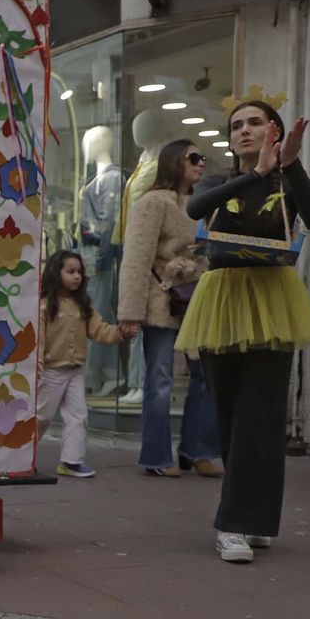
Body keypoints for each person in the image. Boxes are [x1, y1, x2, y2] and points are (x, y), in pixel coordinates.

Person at [180, 99, 310, 563]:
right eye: (236, 125)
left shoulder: (288, 178)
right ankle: (243, 520)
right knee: (229, 415)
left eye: (255, 122)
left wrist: (289, 164)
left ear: (274, 131)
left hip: (273, 302)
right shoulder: (222, 181)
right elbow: (196, 207)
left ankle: (241, 524)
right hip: (222, 301)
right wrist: (257, 173)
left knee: (261, 417)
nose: (243, 130)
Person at [118, 139, 220, 479]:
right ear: (174, 162)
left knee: (204, 376)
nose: (200, 163)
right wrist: (130, 312)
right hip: (163, 296)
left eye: (202, 157)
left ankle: (198, 449)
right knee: (160, 376)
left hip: (198, 295)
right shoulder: (152, 202)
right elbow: (136, 257)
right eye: (193, 157)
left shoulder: (203, 204)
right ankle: (157, 455)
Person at [38, 249, 132, 478]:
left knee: (78, 415)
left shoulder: (83, 306)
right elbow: (36, 339)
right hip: (50, 371)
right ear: (54, 273)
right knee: (40, 417)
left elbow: (100, 330)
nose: (77, 276)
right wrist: (36, 364)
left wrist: (120, 333)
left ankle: (71, 461)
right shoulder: (43, 306)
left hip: (75, 371)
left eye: (79, 272)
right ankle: (21, 457)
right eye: (70, 271)